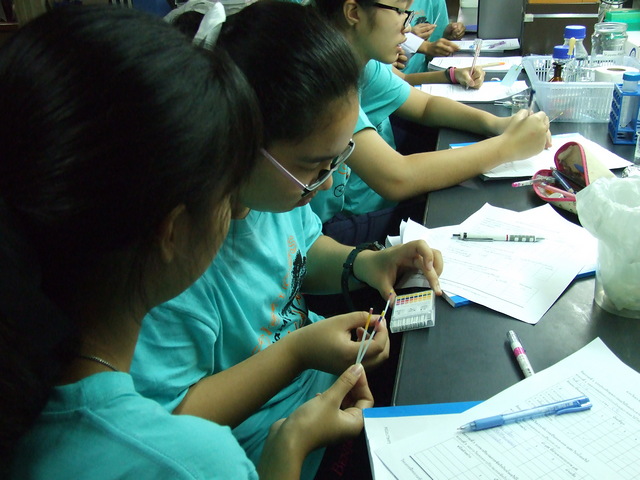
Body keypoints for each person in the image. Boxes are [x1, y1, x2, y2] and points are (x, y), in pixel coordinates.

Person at [0, 6, 375, 479]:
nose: (238, 208)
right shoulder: (191, 460)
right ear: (173, 230)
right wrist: (288, 450)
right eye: (226, 185)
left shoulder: (31, 375)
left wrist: (359, 265)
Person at [130, 2, 444, 480]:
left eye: (339, 158)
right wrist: (295, 354)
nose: (327, 181)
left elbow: (303, 251)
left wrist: (365, 262)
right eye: (314, 167)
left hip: (324, 395)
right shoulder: (178, 263)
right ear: (241, 143)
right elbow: (171, 423)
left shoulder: (274, 200)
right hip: (271, 450)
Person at [311, 0, 551, 246]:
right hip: (332, 227)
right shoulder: (322, 83)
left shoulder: (363, 64)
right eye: (400, 12)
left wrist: (498, 124)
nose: (407, 27)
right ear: (353, 12)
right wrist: (508, 146)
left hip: (371, 204)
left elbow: (425, 105)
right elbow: (396, 177)